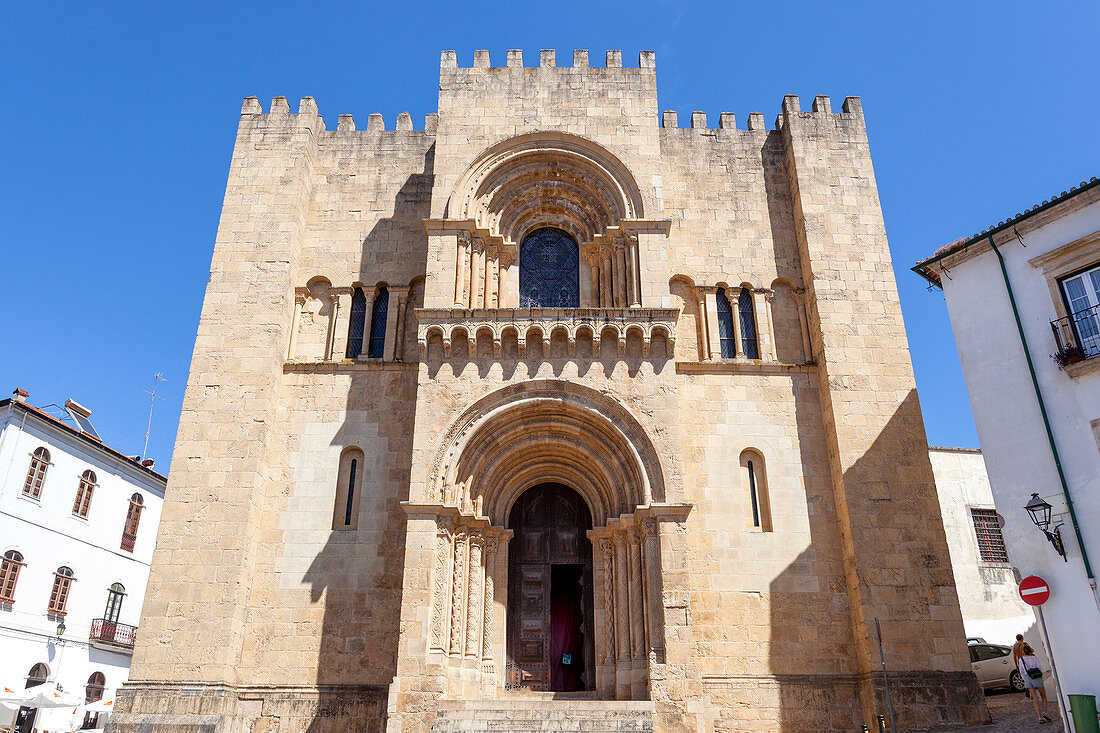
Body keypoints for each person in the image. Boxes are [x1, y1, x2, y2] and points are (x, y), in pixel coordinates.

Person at [1018, 643, 1052, 723]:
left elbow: (1021, 671)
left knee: (1035, 698)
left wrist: (1025, 678)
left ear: (1023, 651)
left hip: (1027, 678)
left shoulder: (1021, 659)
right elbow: (1039, 668)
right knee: (1043, 696)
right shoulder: (1034, 657)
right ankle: (1045, 712)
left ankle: (1039, 717)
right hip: (1036, 677)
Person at [1012, 634, 1030, 699]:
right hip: (1027, 661)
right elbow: (1030, 652)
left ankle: (1028, 690)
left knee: (1025, 677)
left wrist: (1016, 665)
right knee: (1029, 676)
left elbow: (1014, 656)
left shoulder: (1014, 646)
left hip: (1020, 662)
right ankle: (1028, 690)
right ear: (1022, 638)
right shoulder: (1025, 644)